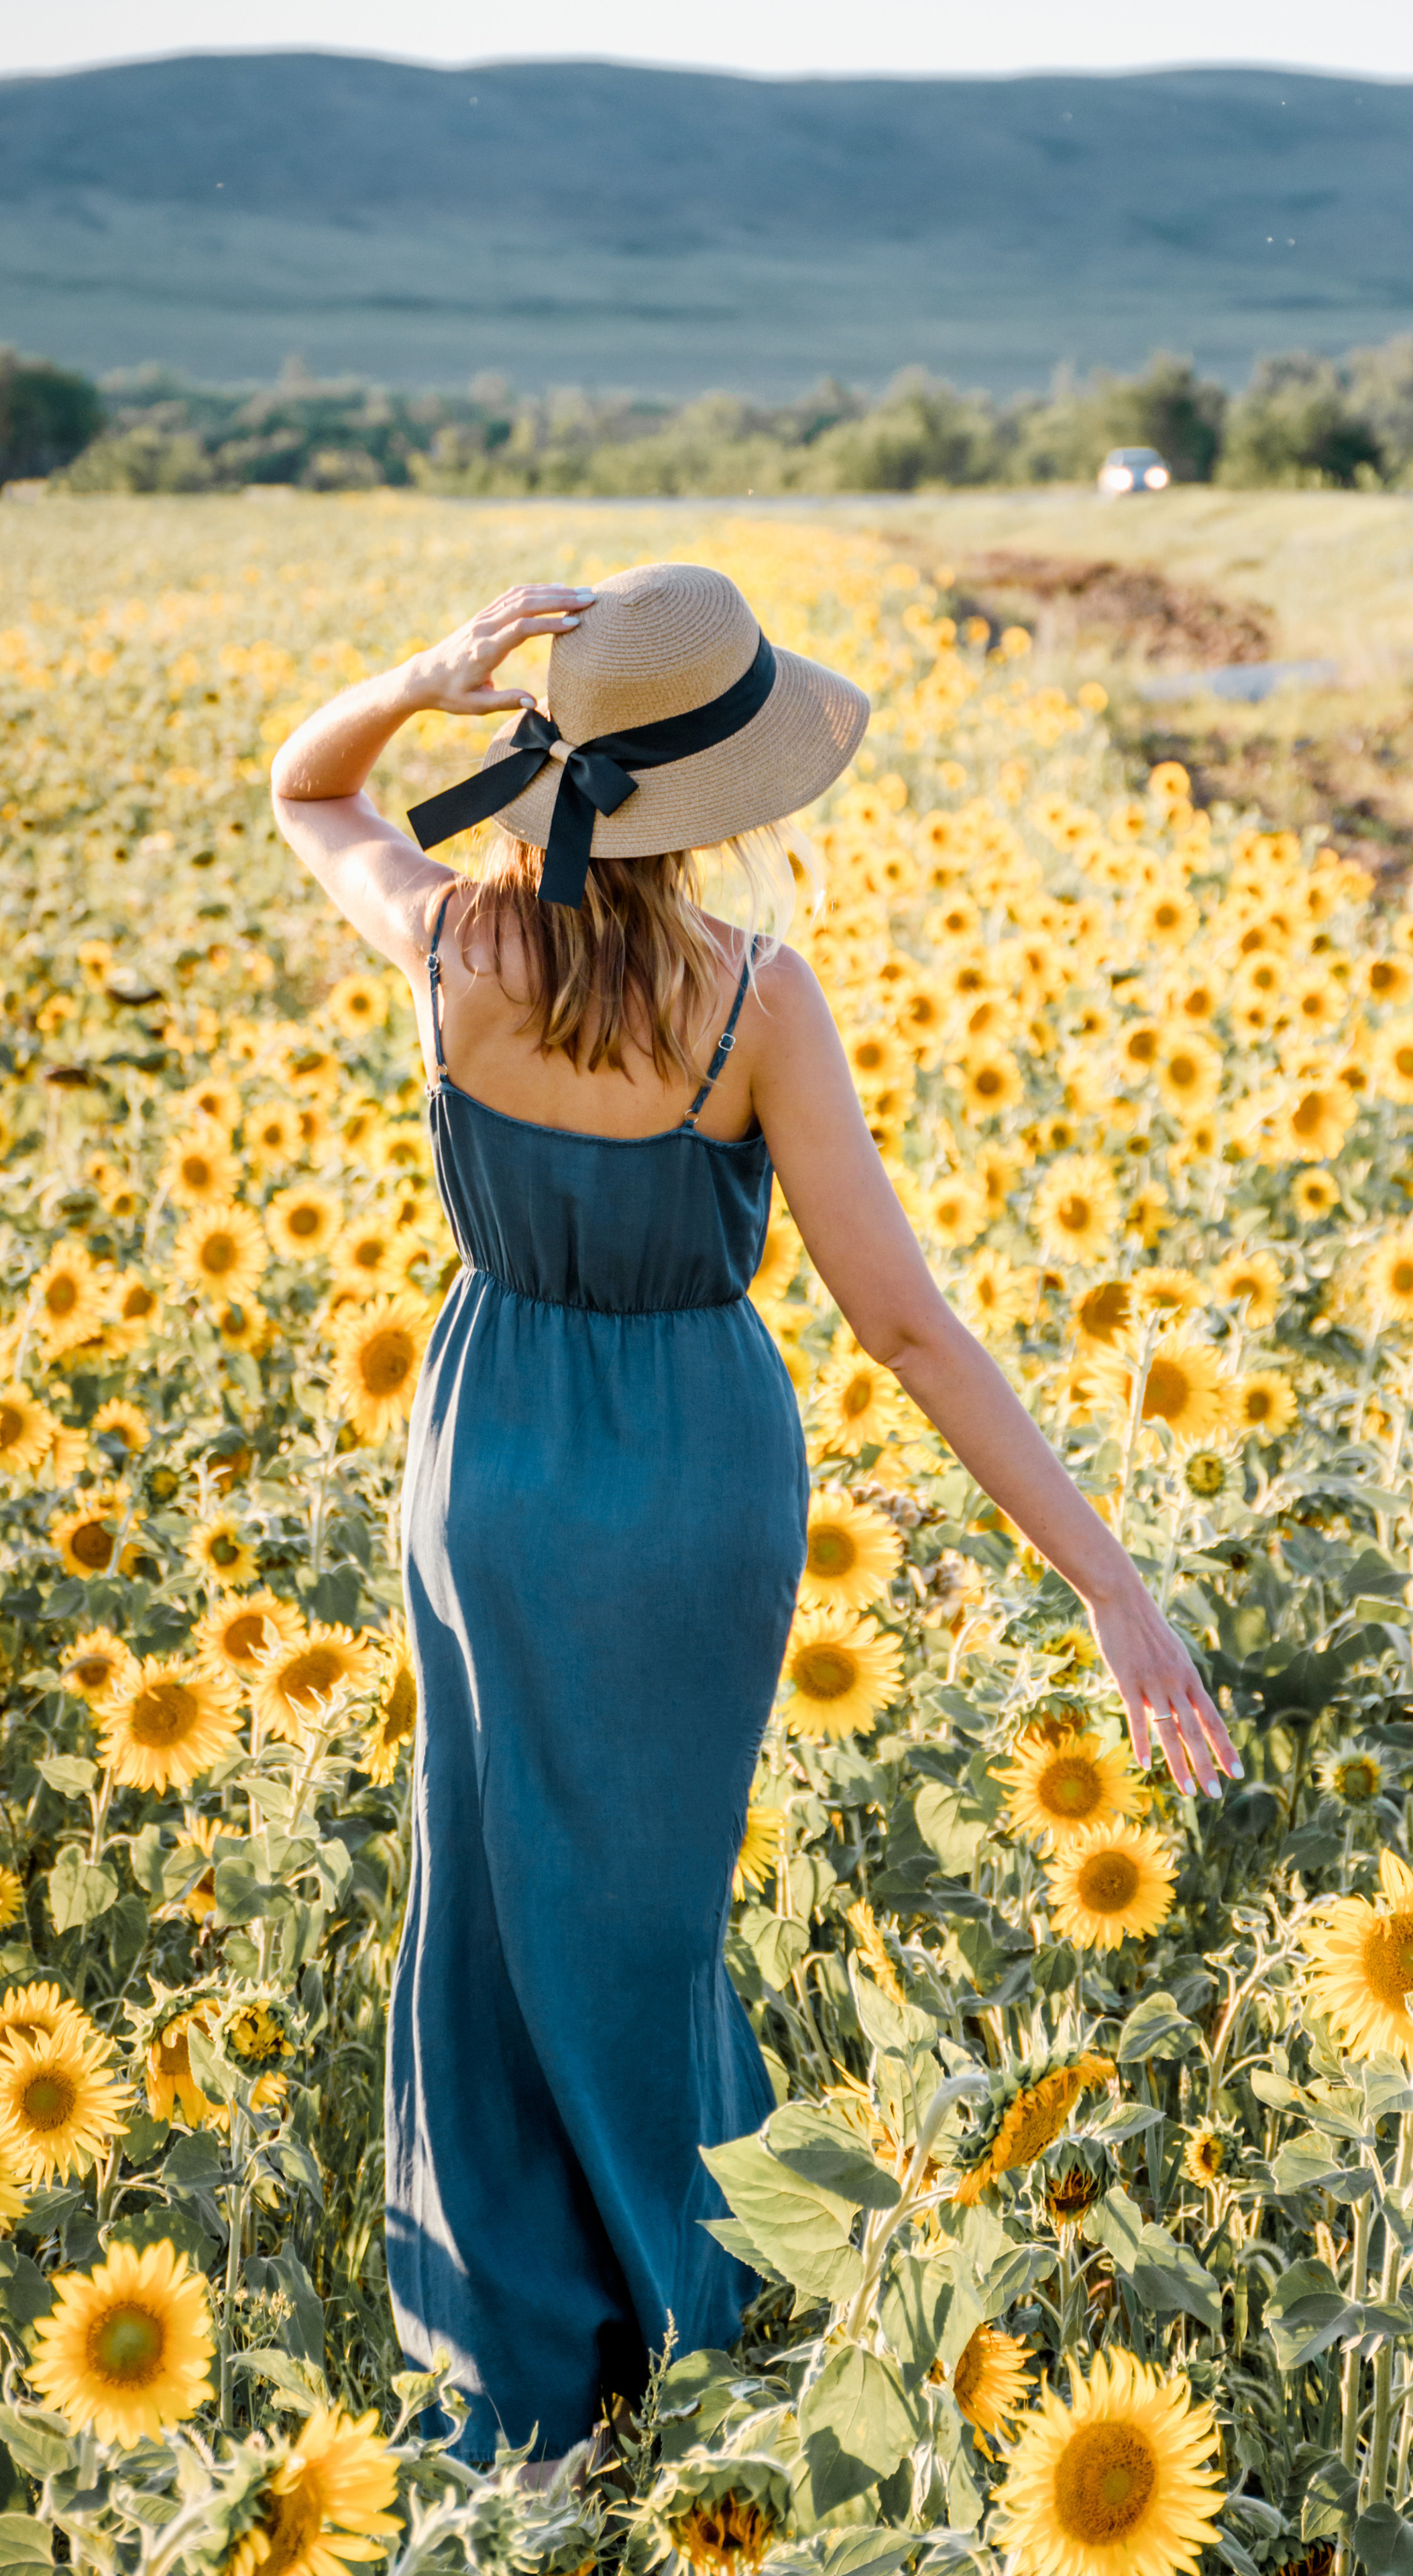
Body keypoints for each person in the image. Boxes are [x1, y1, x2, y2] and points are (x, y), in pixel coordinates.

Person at [270, 560, 1240, 2480]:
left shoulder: (454, 944)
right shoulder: (753, 1002)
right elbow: (904, 1328)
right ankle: (687, 2334)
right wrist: (1111, 1583)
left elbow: (309, 788)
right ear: (720, 796)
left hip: (491, 1462)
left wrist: (427, 676)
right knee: (651, 1917)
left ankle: (524, 2379)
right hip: (696, 1490)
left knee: (488, 1901)